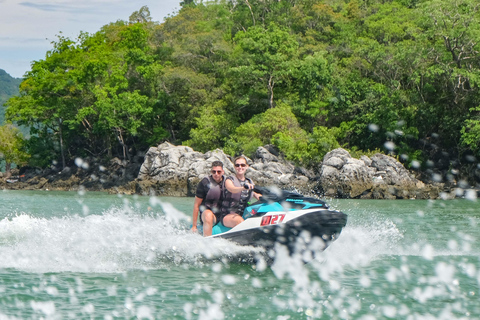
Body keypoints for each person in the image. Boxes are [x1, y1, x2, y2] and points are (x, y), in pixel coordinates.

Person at [221, 155, 261, 228]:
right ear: (234, 167)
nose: (240, 167)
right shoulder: (229, 180)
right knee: (240, 221)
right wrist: (243, 188)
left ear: (247, 166)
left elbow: (256, 194)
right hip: (228, 215)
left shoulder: (249, 181)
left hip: (245, 213)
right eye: (237, 165)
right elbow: (231, 189)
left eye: (242, 165)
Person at [191, 160, 225, 236]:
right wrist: (194, 226)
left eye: (219, 172)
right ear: (211, 172)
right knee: (208, 214)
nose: (216, 174)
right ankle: (207, 241)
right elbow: (196, 205)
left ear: (223, 172)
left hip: (222, 215)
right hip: (207, 214)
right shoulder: (204, 183)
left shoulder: (227, 182)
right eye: (214, 172)